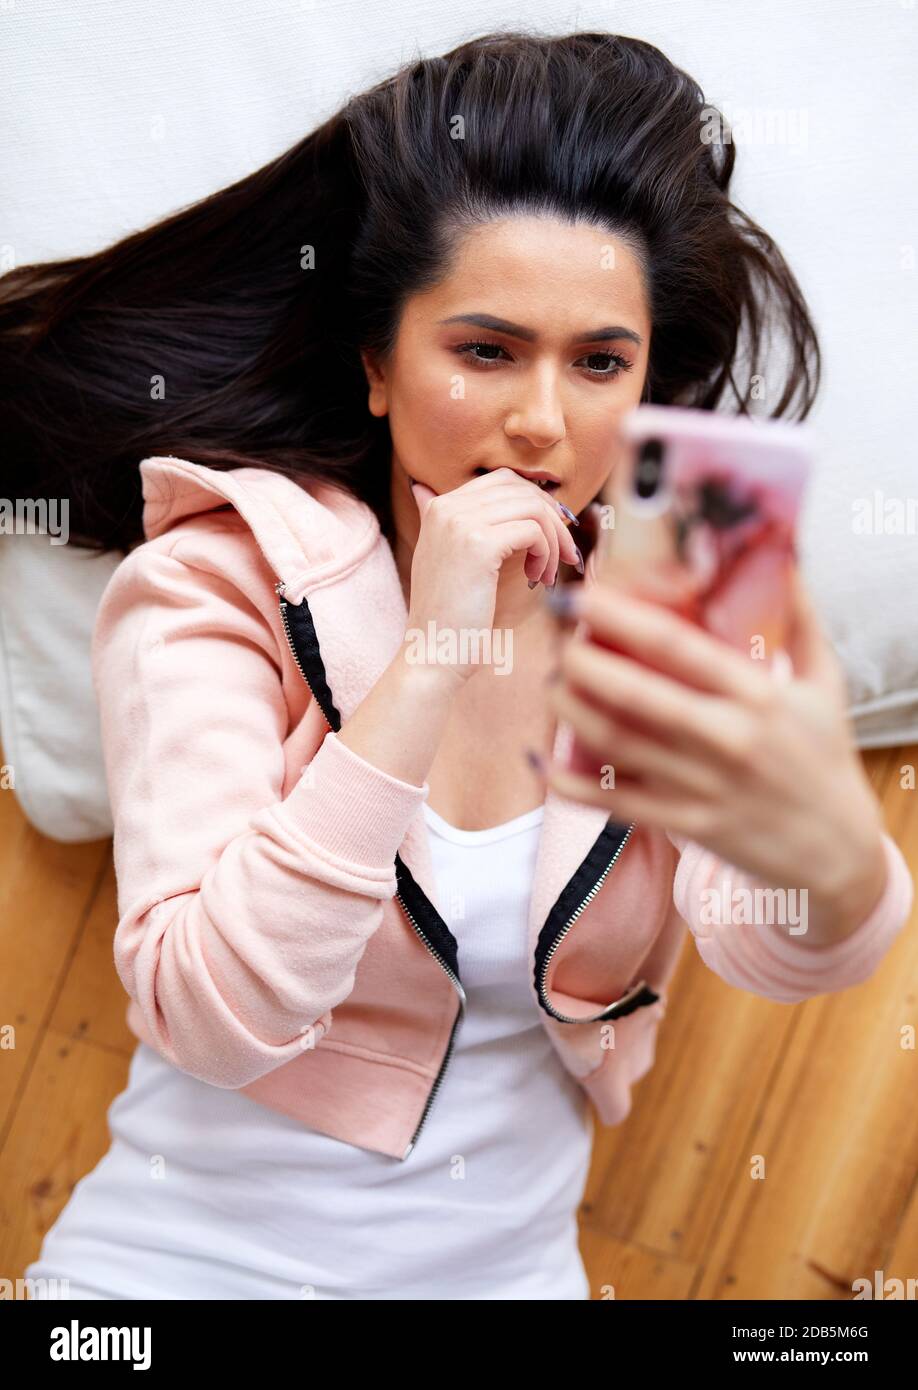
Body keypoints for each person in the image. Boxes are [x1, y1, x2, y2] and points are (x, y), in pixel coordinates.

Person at [7, 30, 911, 1302]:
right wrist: (428, 658)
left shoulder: (677, 601)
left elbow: (772, 945)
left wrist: (820, 842)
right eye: (485, 350)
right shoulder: (209, 584)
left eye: (600, 362)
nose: (544, 420)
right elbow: (208, 1012)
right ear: (379, 364)